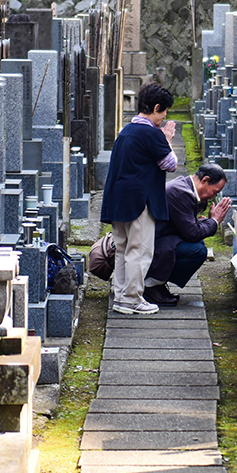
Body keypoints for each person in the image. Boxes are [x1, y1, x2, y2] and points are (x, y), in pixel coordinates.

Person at [100, 83, 179, 315]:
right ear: (156, 107)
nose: (164, 117)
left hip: (118, 199)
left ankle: (121, 296)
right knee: (140, 251)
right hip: (140, 202)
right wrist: (167, 139)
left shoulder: (126, 131)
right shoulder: (150, 133)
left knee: (123, 249)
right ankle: (133, 298)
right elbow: (170, 164)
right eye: (164, 112)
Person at [143, 162, 232, 306]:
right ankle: (150, 283)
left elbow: (187, 227)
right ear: (205, 180)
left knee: (198, 245)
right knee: (197, 251)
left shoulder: (183, 184)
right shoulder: (181, 193)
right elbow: (192, 233)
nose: (212, 197)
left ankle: (156, 282)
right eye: (214, 192)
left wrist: (208, 222)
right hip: (153, 243)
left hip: (161, 238)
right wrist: (214, 221)